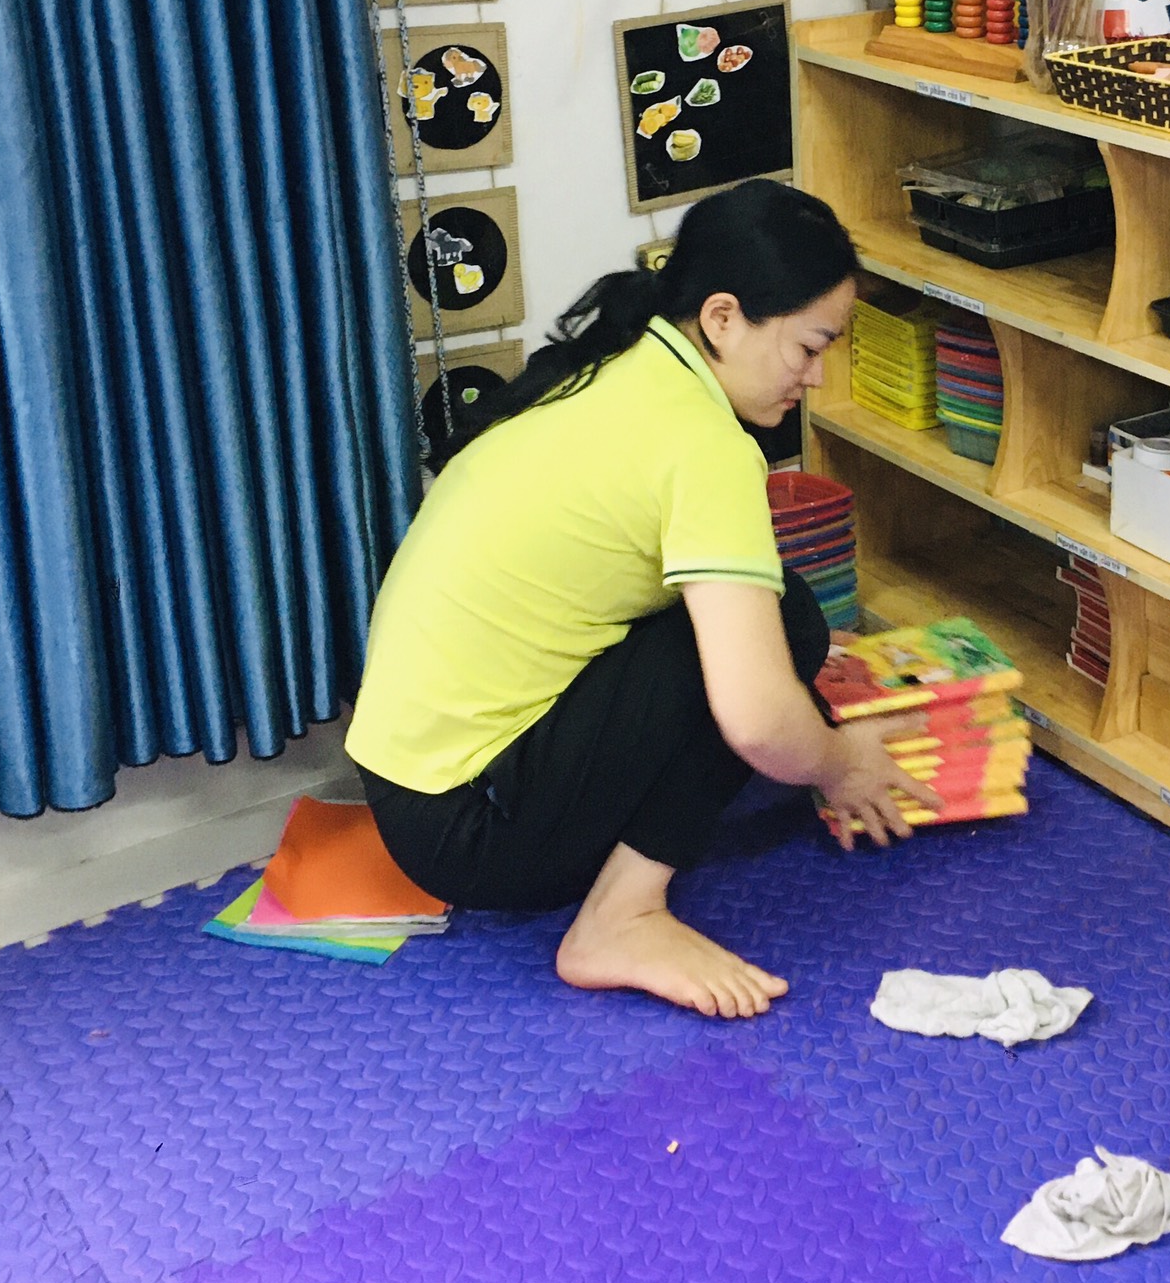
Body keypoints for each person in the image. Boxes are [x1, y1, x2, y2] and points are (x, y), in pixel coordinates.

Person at [346, 180, 940, 1020]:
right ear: (724, 318)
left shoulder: (620, 364)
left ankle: (616, 889)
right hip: (474, 834)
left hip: (411, 786)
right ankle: (620, 918)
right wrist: (843, 763)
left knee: (776, 622)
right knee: (784, 627)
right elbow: (756, 721)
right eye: (809, 348)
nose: (813, 377)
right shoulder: (705, 445)